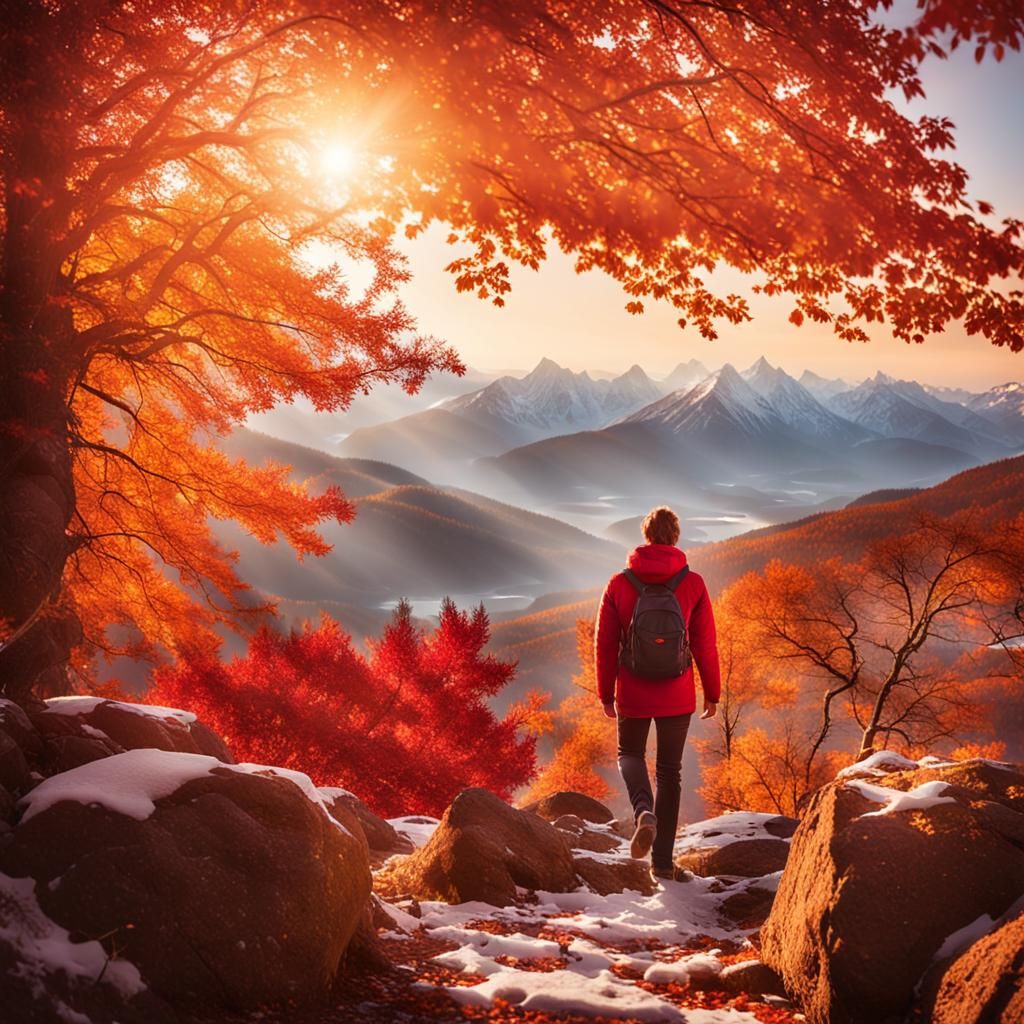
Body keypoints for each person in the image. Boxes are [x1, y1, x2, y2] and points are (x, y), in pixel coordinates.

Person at [595, 505, 720, 880]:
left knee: (629, 754)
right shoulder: (693, 583)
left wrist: (605, 694)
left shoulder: (619, 583)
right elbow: (705, 644)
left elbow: (604, 645)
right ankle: (663, 863)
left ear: (646, 536)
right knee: (669, 772)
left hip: (633, 690)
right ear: (675, 537)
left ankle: (642, 811)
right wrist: (712, 692)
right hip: (677, 693)